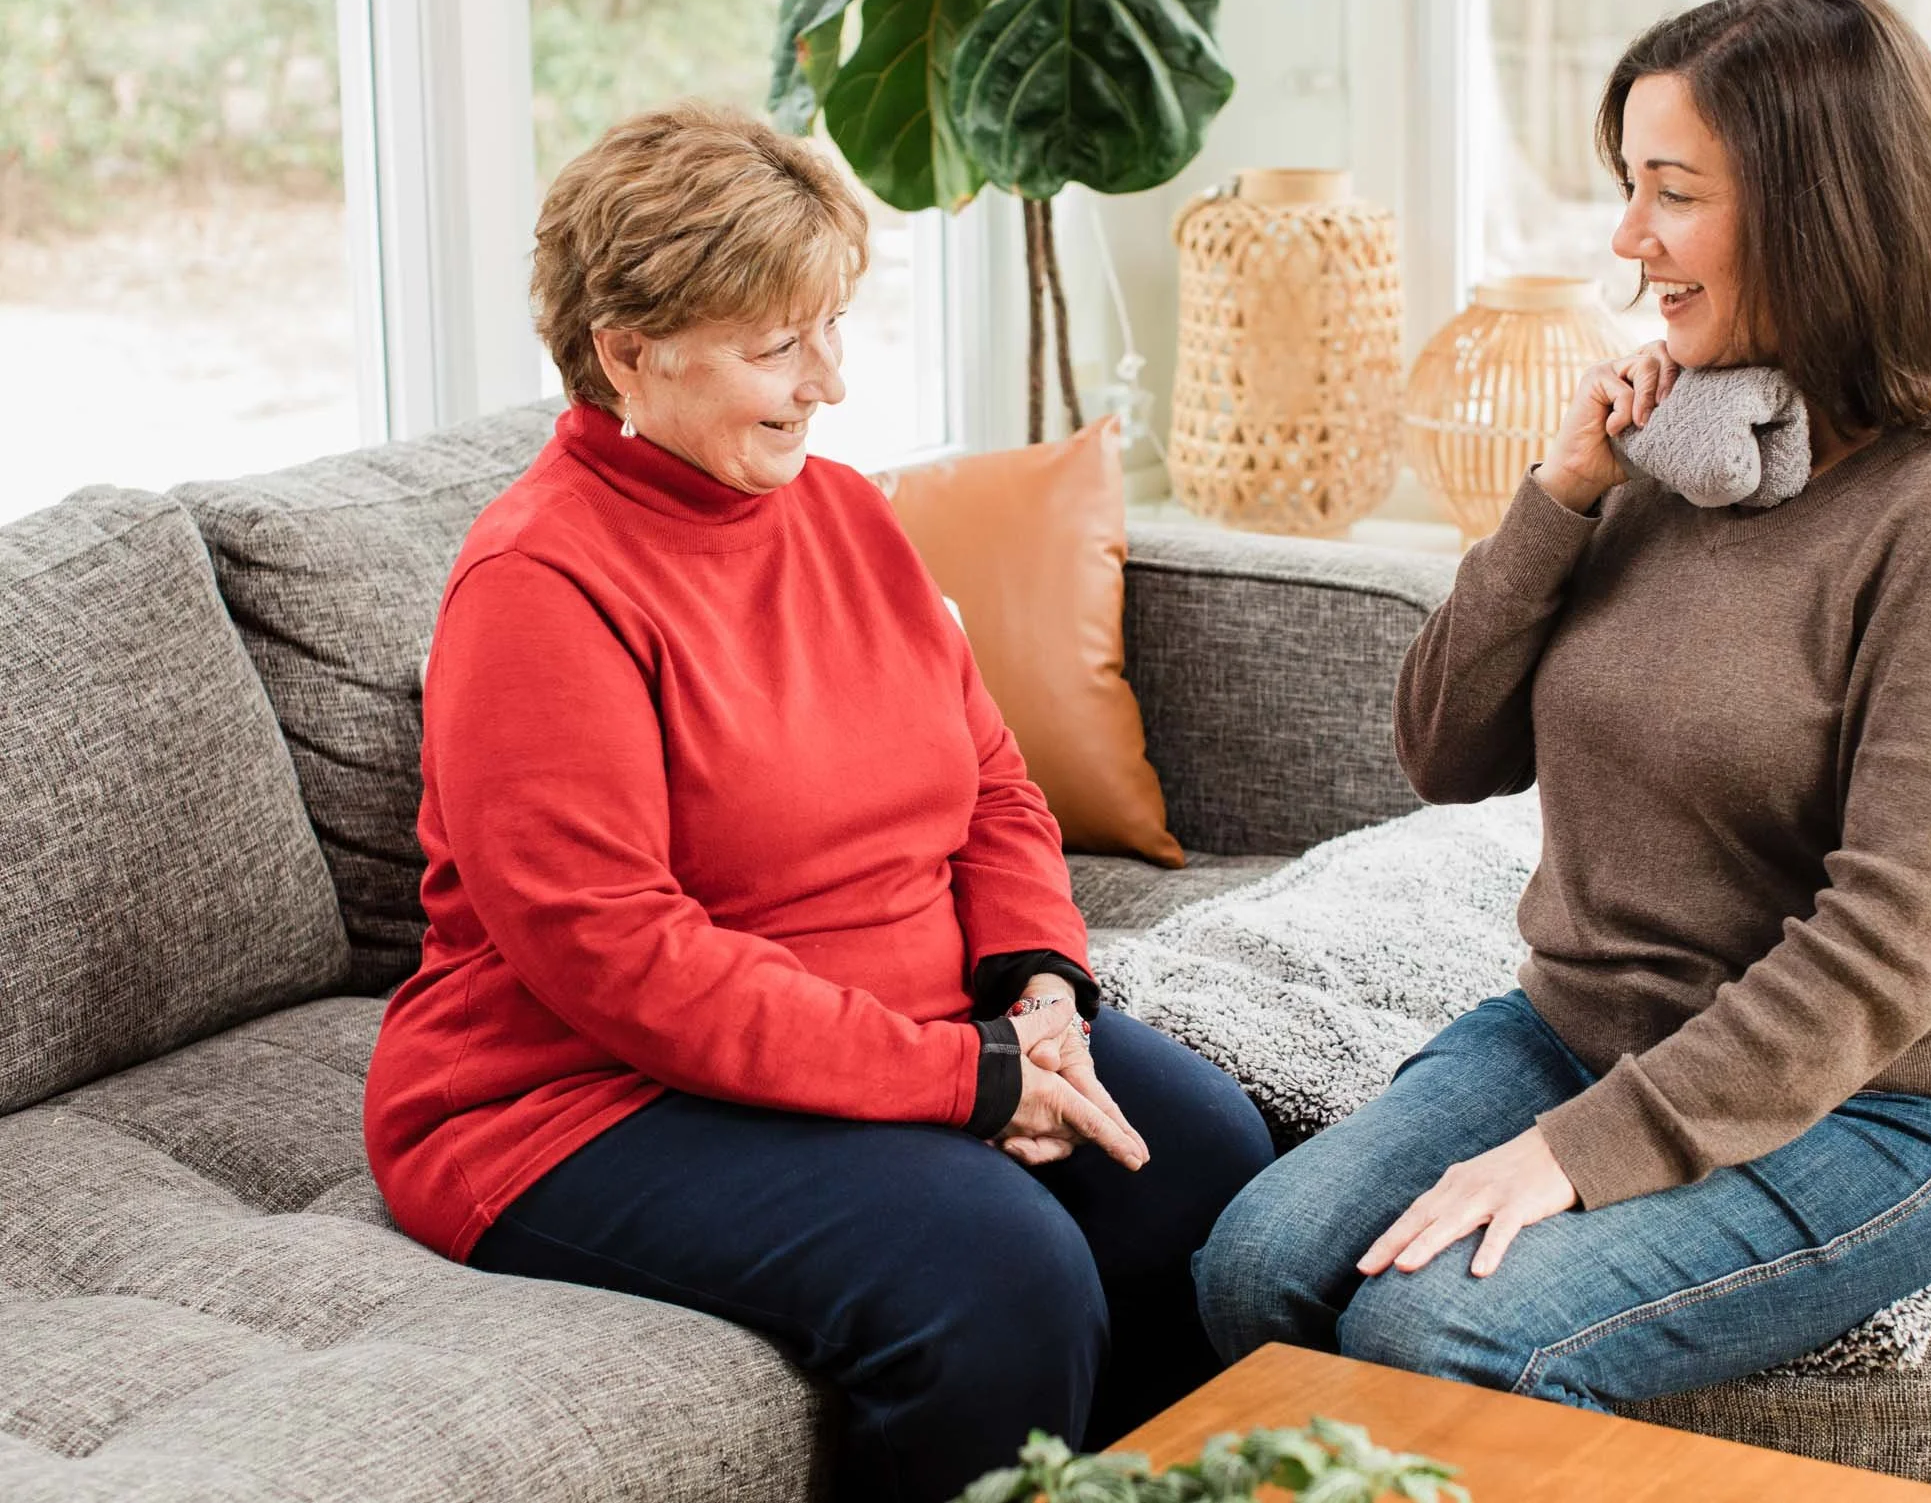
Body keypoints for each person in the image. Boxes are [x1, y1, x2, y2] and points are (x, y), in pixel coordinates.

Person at [362, 101, 1274, 1502]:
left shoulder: (843, 513)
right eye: (775, 345)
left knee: (1207, 1164)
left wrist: (1042, 995)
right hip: (582, 1097)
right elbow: (626, 964)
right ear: (626, 351)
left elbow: (991, 788)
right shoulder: (538, 589)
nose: (827, 382)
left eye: (832, 328)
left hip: (905, 1025)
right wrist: (971, 1086)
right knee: (996, 1272)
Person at [1195, 0, 1931, 1407]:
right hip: (1581, 1028)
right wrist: (1563, 494)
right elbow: (1440, 750)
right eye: (1627, 187)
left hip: (1881, 1101)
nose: (1626, 238)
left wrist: (1578, 1154)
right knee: (1256, 1267)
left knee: (1444, 1335)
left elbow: (1893, 946)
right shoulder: (1682, 442)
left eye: (1672, 193)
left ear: (1814, 214)